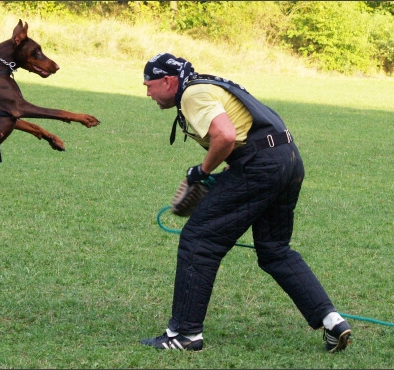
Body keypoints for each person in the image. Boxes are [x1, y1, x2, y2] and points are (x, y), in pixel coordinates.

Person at [140, 53, 351, 352]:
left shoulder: (191, 93)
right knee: (274, 250)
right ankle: (332, 322)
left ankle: (185, 335)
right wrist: (228, 172)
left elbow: (224, 136)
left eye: (149, 85)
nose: (147, 92)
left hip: (261, 165)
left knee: (199, 238)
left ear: (167, 80)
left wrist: (201, 172)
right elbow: (245, 132)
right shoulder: (209, 85)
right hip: (287, 159)